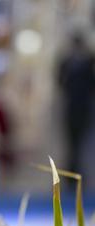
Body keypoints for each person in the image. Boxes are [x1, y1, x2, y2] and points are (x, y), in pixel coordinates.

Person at [57, 32, 95, 176]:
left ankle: (74, 168)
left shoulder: (86, 61)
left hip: (80, 107)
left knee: (78, 142)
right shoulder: (69, 61)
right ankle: (72, 168)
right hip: (75, 107)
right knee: (73, 142)